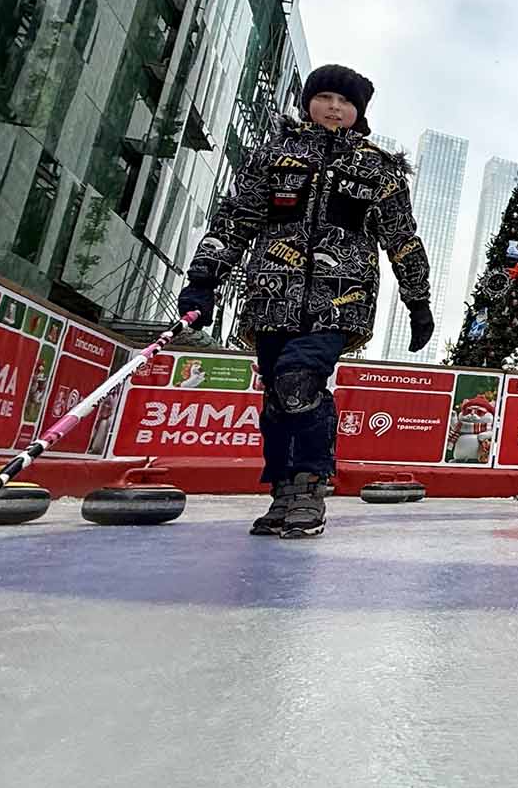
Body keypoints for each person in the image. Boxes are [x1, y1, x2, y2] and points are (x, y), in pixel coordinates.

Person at [176, 64, 433, 538]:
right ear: (308, 102)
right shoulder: (274, 155)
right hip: (271, 296)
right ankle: (282, 490)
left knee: (299, 379)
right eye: (326, 97)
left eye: (346, 102)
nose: (335, 108)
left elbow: (402, 238)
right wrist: (203, 280)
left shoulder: (378, 168)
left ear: (359, 112)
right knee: (277, 394)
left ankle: (310, 485)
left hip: (340, 299)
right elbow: (235, 220)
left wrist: (418, 301)